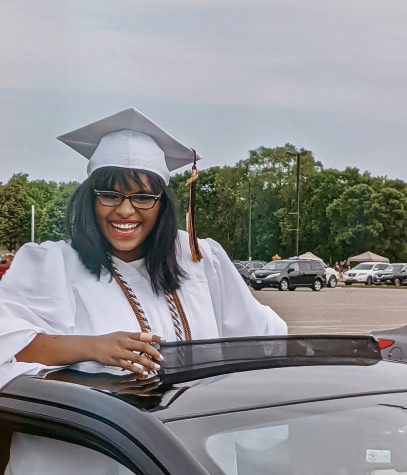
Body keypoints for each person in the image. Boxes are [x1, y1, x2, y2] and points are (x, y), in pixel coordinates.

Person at [0, 107, 287, 474]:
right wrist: (94, 347)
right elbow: (9, 343)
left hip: (186, 451)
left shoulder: (200, 259)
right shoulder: (53, 263)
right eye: (110, 195)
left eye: (142, 197)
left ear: (162, 202)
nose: (125, 211)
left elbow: (261, 339)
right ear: (90, 198)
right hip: (86, 458)